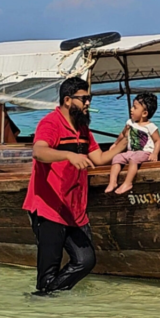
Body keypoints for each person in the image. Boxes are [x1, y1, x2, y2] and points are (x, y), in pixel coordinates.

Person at [22, 76, 127, 295]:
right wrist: (68, 155)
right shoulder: (50, 123)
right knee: (47, 273)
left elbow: (98, 158)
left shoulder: (82, 129)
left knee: (85, 260)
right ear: (68, 100)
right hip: (48, 208)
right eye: (84, 98)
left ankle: (49, 297)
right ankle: (44, 303)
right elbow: (39, 151)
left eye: (90, 98)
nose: (88, 103)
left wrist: (121, 144)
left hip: (74, 210)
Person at [105, 92, 160, 195]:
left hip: (145, 152)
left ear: (144, 113)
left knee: (134, 159)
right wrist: (115, 144)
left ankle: (128, 183)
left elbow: (158, 141)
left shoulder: (150, 126)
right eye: (132, 106)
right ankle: (112, 182)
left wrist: (155, 153)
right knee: (116, 158)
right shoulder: (130, 123)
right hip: (131, 151)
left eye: (135, 108)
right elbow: (122, 134)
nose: (131, 109)